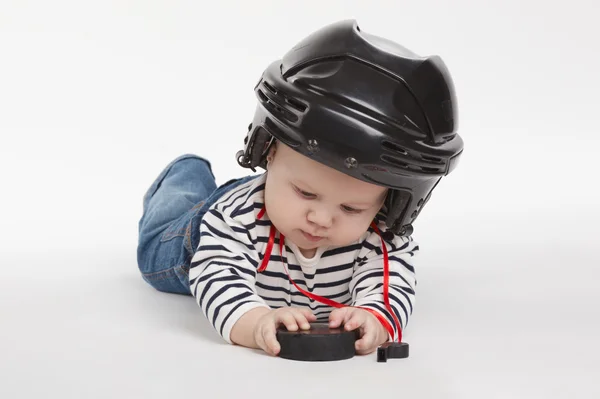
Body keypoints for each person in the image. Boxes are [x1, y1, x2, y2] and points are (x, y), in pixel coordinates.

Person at [136, 19, 464, 357]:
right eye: (306, 193)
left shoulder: (381, 237)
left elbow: (392, 284)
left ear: (391, 203)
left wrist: (375, 318)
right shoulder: (233, 220)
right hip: (197, 234)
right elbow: (217, 275)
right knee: (155, 250)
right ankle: (186, 173)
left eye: (351, 208)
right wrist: (256, 321)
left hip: (273, 203)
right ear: (268, 150)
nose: (321, 218)